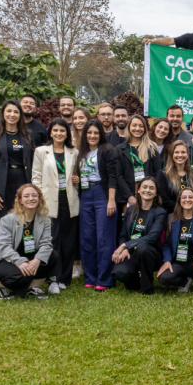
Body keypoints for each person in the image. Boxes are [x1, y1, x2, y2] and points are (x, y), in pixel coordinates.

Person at [0, 183, 55, 300]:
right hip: (4, 259)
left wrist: (37, 260)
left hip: (30, 258)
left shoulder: (45, 220)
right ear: (20, 200)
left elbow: (46, 244)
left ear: (39, 198)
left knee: (52, 256)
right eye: (26, 196)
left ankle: (32, 287)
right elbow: (4, 247)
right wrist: (20, 262)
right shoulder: (7, 220)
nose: (31, 198)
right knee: (21, 275)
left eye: (34, 195)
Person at [31, 117, 79, 293]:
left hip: (69, 201)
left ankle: (65, 278)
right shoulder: (41, 151)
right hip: (49, 200)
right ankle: (53, 278)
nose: (59, 133)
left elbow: (79, 177)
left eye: (62, 130)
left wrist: (78, 180)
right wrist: (38, 199)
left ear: (67, 133)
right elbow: (36, 177)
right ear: (50, 132)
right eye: (56, 130)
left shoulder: (74, 152)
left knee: (68, 241)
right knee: (52, 240)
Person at [76, 119, 120, 290]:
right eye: (89, 132)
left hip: (103, 194)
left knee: (104, 237)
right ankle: (90, 277)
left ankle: (105, 279)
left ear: (100, 134)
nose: (92, 136)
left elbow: (113, 176)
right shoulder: (82, 151)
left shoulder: (107, 149)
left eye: (95, 132)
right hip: (85, 194)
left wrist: (111, 200)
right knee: (87, 237)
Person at [0, 100, 36, 240]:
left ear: (20, 115)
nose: (12, 115)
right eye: (9, 111)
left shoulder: (28, 134)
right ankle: (1, 252)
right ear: (3, 113)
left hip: (23, 182)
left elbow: (33, 161)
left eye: (16, 112)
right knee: (2, 222)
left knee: (24, 220)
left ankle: (24, 251)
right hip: (2, 186)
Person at [111, 176, 167, 294]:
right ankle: (137, 282)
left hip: (151, 254)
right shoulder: (130, 210)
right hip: (131, 252)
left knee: (143, 248)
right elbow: (123, 235)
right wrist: (125, 249)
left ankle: (147, 287)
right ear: (139, 190)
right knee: (120, 273)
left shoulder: (160, 212)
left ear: (156, 193)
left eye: (151, 188)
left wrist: (125, 245)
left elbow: (152, 237)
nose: (147, 190)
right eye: (144, 187)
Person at [157, 188, 193, 298]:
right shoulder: (171, 218)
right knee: (163, 278)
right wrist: (167, 261)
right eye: (184, 197)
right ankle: (185, 281)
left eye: (190, 197)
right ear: (179, 200)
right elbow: (167, 244)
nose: (187, 199)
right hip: (179, 262)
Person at [116, 114, 164, 211]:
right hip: (129, 196)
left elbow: (158, 173)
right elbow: (118, 175)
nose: (137, 128)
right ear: (129, 127)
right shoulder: (120, 149)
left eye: (141, 126)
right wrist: (129, 196)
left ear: (145, 128)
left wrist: (152, 193)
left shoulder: (152, 147)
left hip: (149, 196)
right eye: (134, 125)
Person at [157, 140, 193, 215]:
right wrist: (184, 206)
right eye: (176, 152)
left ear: (187, 155)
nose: (180, 155)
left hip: (191, 215)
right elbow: (164, 200)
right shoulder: (163, 175)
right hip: (171, 215)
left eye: (183, 152)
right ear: (172, 154)